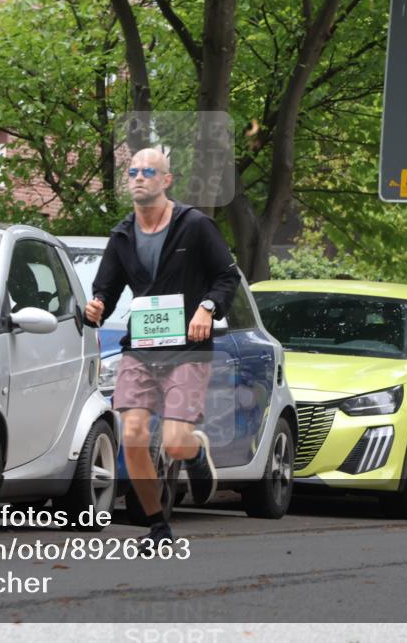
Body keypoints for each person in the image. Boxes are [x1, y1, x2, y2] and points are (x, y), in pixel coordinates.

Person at [84, 148, 240, 544]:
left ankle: (195, 452)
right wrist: (98, 305)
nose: (138, 177)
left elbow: (227, 276)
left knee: (174, 440)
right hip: (141, 346)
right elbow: (107, 288)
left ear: (166, 180)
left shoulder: (195, 226)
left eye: (148, 171)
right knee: (133, 434)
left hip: (187, 348)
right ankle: (158, 525)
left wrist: (207, 308)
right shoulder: (122, 235)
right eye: (133, 171)